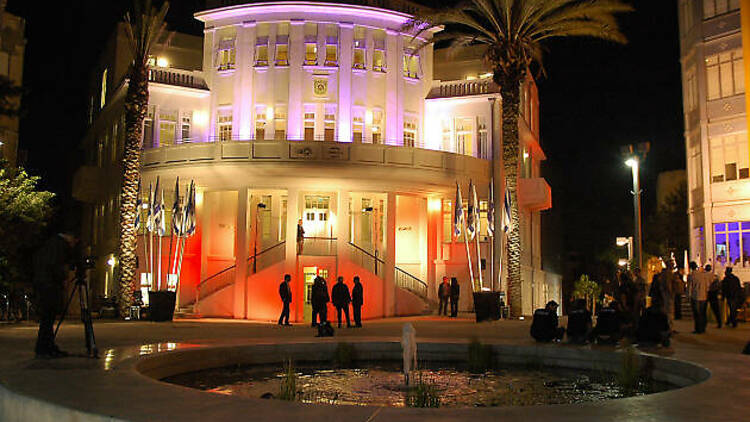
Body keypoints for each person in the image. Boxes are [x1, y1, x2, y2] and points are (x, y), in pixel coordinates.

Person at [33, 231, 77, 358]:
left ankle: (47, 346)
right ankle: (44, 348)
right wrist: (62, 277)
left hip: (44, 284)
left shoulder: (50, 244)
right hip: (49, 286)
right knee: (47, 318)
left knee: (47, 319)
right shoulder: (59, 246)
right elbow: (55, 266)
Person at [687, 262, 709, 334]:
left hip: (695, 296)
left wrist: (688, 296)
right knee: (702, 313)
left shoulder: (691, 275)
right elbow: (707, 285)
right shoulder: (703, 275)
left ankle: (698, 328)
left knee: (697, 313)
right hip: (703, 296)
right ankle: (703, 327)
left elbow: (690, 287)